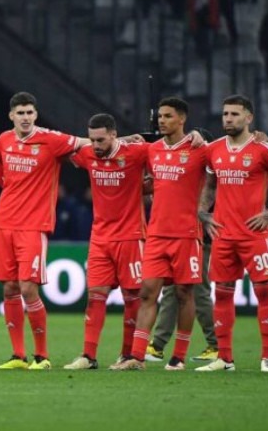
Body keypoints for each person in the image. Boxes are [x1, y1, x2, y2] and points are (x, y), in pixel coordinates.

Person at [0, 92, 87, 370]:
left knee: (28, 288)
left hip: (33, 226)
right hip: (4, 223)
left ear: (36, 114)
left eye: (30, 113)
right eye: (20, 113)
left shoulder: (51, 139)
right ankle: (18, 356)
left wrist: (122, 141)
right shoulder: (3, 140)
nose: (25, 118)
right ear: (11, 115)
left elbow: (86, 142)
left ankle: (42, 356)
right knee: (9, 287)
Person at [112, 97, 208, 371]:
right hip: (156, 235)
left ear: (182, 119)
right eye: (160, 116)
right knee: (147, 292)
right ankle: (137, 357)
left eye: (167, 116)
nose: (161, 121)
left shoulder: (200, 149)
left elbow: (228, 155)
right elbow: (146, 179)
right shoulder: (151, 150)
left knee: (183, 293)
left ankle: (178, 357)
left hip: (187, 234)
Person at [196, 94, 268, 373]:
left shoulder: (264, 149)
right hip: (223, 233)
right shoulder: (214, 149)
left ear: (249, 117)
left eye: (235, 114)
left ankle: (267, 357)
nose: (228, 119)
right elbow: (210, 184)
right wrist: (202, 211)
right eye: (225, 114)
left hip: (254, 234)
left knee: (264, 292)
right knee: (221, 294)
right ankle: (225, 358)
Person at [63, 113, 148, 370]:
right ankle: (88, 356)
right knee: (95, 296)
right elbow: (62, 150)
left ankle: (128, 355)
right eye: (92, 140)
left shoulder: (137, 153)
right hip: (100, 237)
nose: (96, 146)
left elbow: (170, 158)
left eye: (101, 140)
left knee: (132, 296)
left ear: (113, 134)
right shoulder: (89, 154)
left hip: (131, 236)